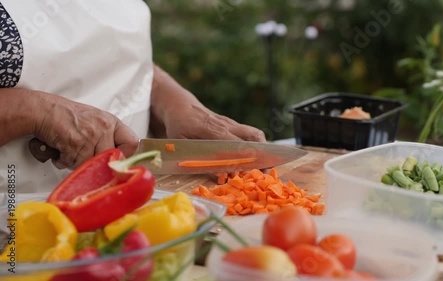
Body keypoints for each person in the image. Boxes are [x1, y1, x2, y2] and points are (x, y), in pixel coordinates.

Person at [0, 0, 265, 193]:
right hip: (18, 226)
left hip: (134, 203)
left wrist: (172, 101)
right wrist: (38, 112)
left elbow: (113, 52)